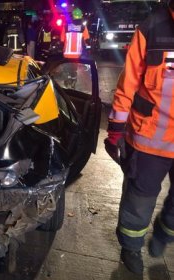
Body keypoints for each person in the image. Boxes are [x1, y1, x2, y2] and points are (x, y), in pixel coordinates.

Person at [105, 0, 174, 275]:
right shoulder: (153, 27)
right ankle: (131, 247)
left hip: (152, 138)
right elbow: (129, 81)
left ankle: (164, 233)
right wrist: (116, 130)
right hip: (149, 140)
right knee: (139, 198)